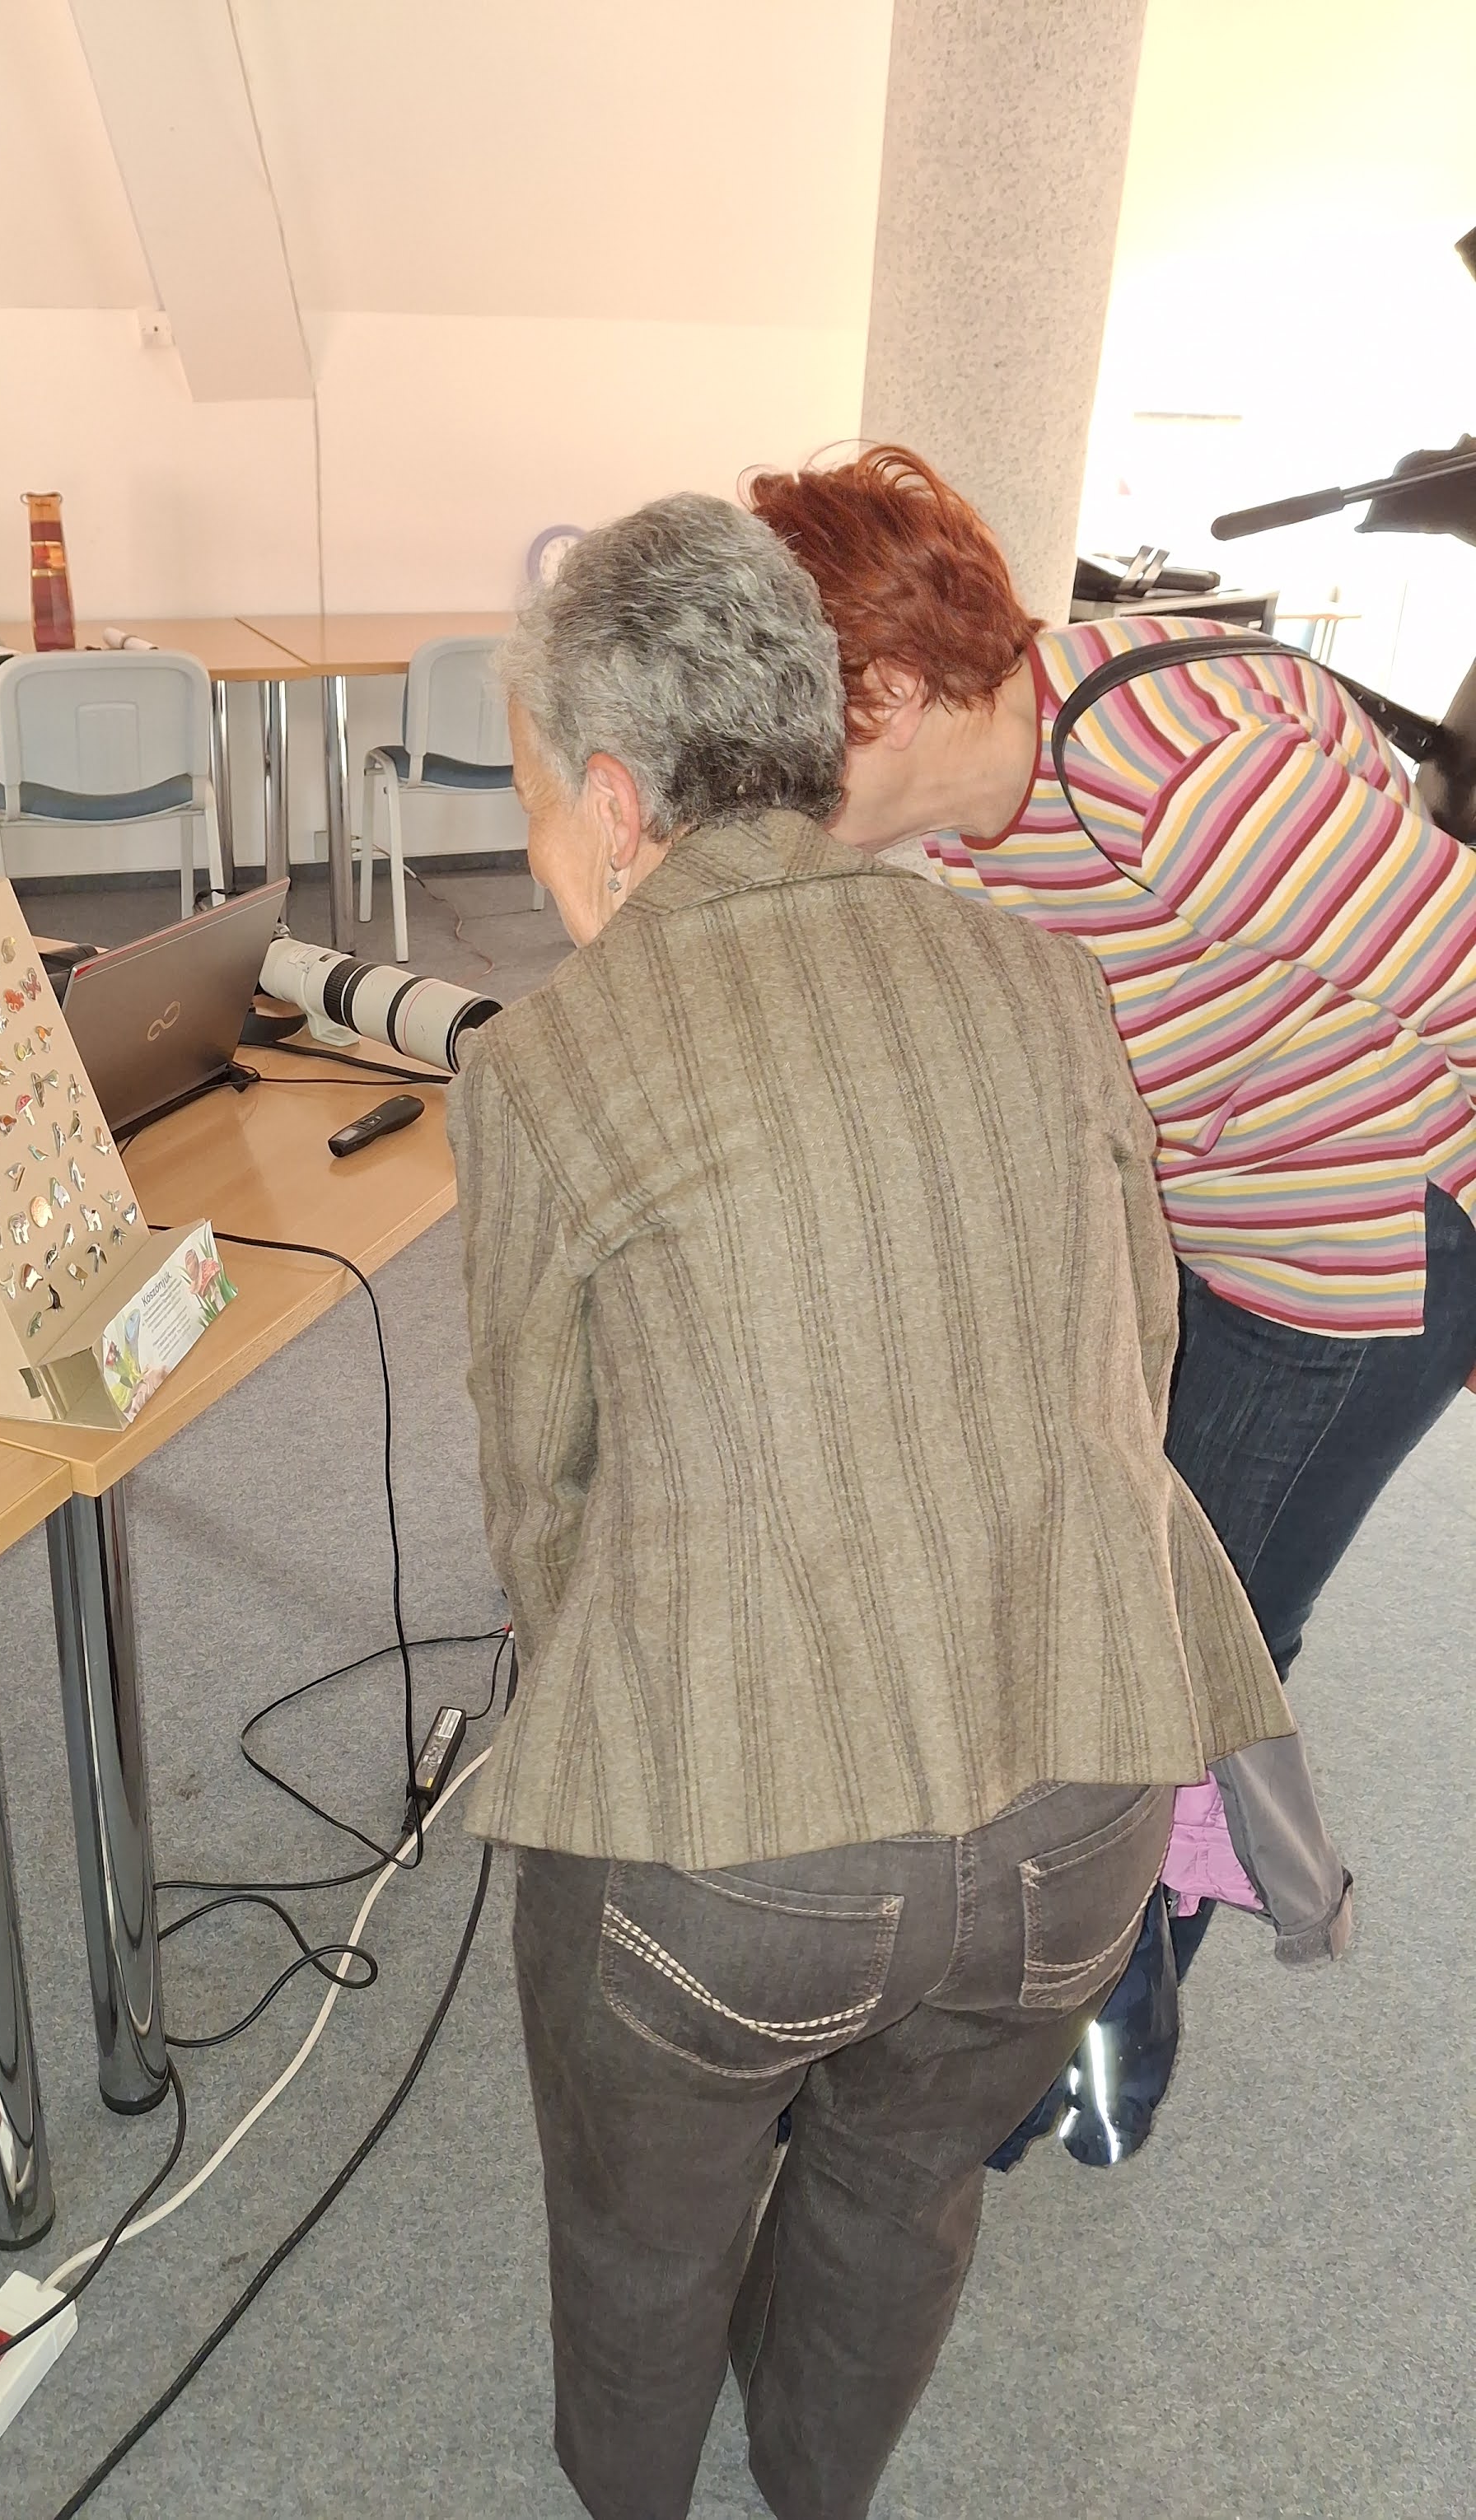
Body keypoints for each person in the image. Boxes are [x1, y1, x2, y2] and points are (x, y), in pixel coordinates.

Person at [446, 492, 1296, 2520]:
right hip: (1077, 1822)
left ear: (614, 801)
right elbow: (1136, 1367)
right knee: (901, 2189)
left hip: (728, 1873)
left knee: (643, 2242)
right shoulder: (1041, 983)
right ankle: (814, 2488)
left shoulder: (547, 1065)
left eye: (538, 794)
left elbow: (542, 1506)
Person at [747, 446, 1466, 2144]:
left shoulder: (1171, 778)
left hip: (1351, 1262)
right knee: (1108, 1623)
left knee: (1171, 1669)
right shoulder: (977, 806)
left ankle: (1072, 2064)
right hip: (1216, 1231)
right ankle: (1058, 2025)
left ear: (890, 693)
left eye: (784, 742)